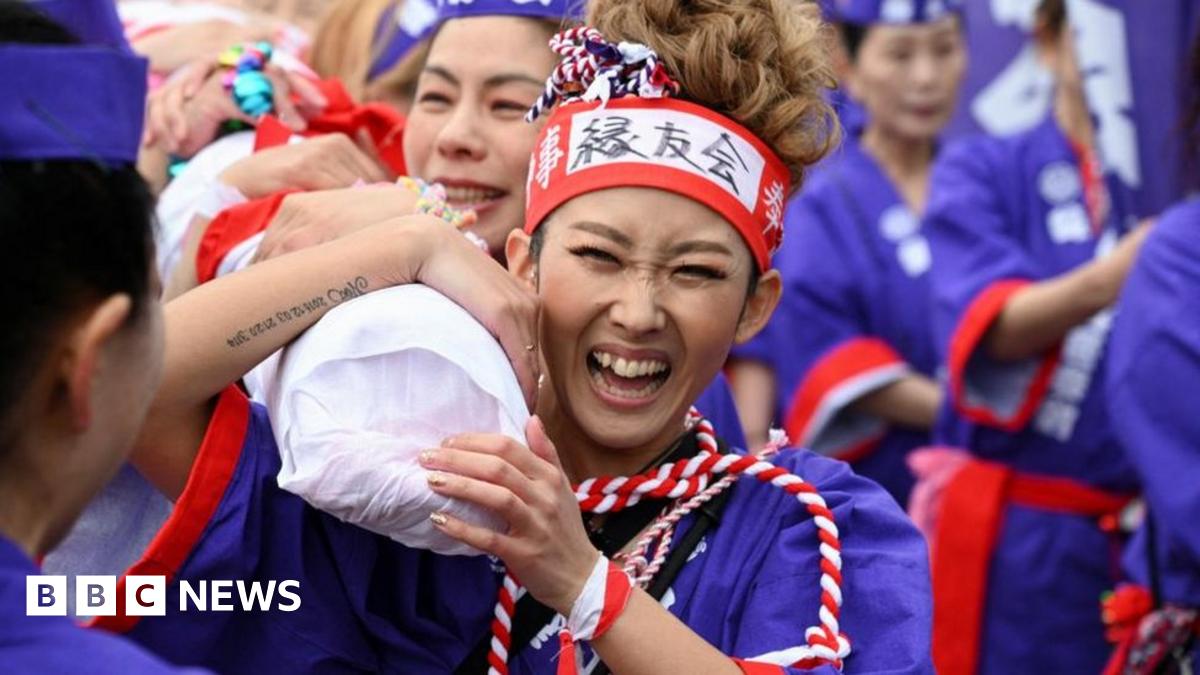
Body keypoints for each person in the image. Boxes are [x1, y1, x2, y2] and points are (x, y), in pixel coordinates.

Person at [919, 0, 1149, 672]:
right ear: (1049, 43)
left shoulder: (1169, 182)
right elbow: (991, 329)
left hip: (1150, 538)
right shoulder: (984, 169)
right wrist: (1120, 273)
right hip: (1021, 541)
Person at [726, 0, 965, 505]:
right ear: (847, 63)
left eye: (944, 51)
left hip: (1005, 498)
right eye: (900, 55)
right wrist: (983, 417)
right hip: (875, 492)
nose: (926, 77)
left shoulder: (985, 180)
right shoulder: (821, 204)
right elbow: (828, 354)